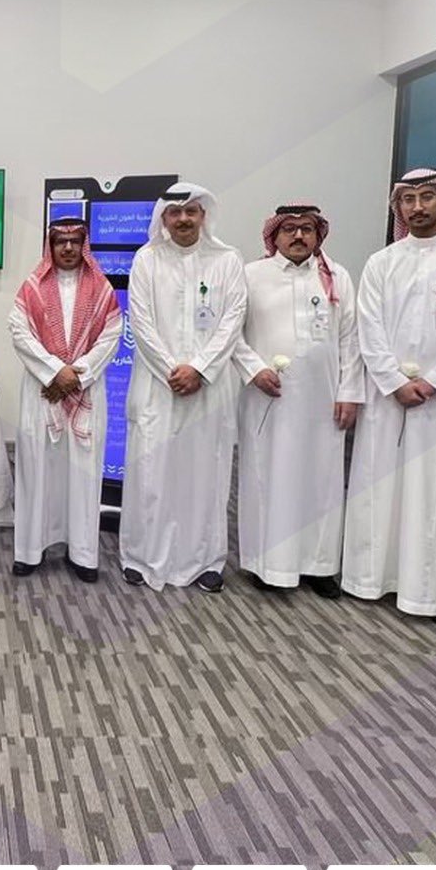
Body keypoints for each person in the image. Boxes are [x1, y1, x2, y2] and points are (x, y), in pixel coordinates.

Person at [341, 168, 436, 625]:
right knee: (378, 487)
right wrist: (394, 381)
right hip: (387, 395)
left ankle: (430, 596)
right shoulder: (382, 262)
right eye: (407, 200)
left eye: (426, 197)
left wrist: (433, 382)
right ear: (398, 208)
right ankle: (369, 580)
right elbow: (368, 328)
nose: (417, 207)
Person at [121, 183, 248, 592]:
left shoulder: (227, 260)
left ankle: (206, 560)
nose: (183, 219)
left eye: (191, 211)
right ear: (164, 218)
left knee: (205, 474)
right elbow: (140, 321)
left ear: (203, 216)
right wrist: (173, 369)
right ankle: (141, 557)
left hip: (208, 387)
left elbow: (233, 320)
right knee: (151, 472)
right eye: (175, 213)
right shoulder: (147, 259)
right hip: (158, 386)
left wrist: (200, 369)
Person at [235, 203, 362, 596]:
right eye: (289, 229)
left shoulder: (336, 276)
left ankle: (319, 566)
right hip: (268, 400)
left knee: (321, 482)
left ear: (318, 234)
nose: (298, 236)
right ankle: (266, 564)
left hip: (323, 402)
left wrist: (350, 392)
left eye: (306, 228)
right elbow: (230, 333)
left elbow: (351, 340)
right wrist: (254, 369)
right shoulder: (251, 276)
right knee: (268, 479)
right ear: (274, 235)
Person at [8, 218, 123, 582]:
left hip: (84, 391)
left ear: (84, 245)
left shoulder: (101, 288)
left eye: (75, 241)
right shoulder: (32, 288)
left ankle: (83, 554)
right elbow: (19, 333)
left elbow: (111, 337)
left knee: (83, 474)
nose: (69, 248)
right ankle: (30, 550)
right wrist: (55, 372)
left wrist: (76, 376)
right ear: (51, 247)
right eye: (61, 242)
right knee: (36, 470)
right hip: (42, 393)